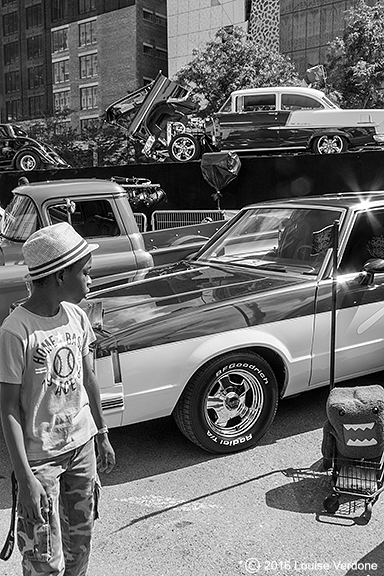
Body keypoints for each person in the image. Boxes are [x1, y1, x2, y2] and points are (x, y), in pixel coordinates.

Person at [0, 222, 115, 576]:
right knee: (43, 559)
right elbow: (8, 409)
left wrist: (101, 433)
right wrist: (26, 478)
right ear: (61, 275)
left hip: (81, 449)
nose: (90, 281)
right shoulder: (16, 331)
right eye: (86, 273)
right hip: (40, 461)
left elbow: (88, 378)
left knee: (80, 546)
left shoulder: (78, 317)